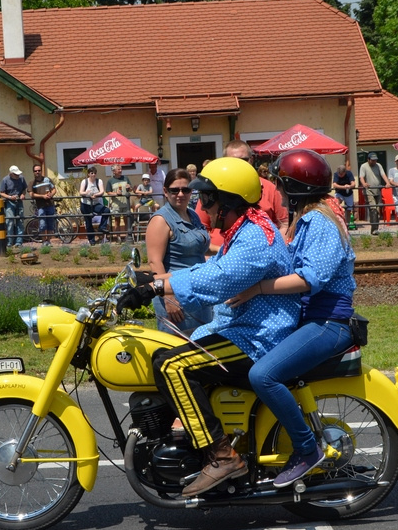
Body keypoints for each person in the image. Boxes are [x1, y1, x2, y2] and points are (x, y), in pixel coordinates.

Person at [116, 157, 298, 497]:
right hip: (245, 327)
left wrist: (157, 287)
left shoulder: (255, 238)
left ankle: (221, 455)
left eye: (207, 198)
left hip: (259, 336)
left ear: (228, 200)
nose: (201, 204)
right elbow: (213, 266)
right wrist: (154, 281)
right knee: (174, 352)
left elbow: (218, 278)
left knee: (171, 366)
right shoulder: (245, 229)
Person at [226, 149, 355, 487]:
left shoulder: (322, 222)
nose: (278, 193)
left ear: (294, 189)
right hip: (311, 319)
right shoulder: (306, 220)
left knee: (263, 375)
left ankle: (306, 447)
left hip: (327, 323)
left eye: (281, 186)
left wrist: (257, 288)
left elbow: (309, 278)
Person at [145, 168, 213, 336]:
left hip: (198, 292)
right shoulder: (161, 220)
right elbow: (155, 262)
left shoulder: (192, 215)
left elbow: (200, 246)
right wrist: (168, 298)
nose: (181, 194)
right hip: (176, 295)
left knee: (202, 346)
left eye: (186, 189)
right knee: (178, 349)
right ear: (166, 192)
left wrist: (228, 249)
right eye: (175, 190)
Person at [79, 166, 110, 245]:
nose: (93, 175)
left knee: (106, 210)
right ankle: (91, 240)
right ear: (88, 174)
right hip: (86, 204)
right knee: (88, 222)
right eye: (92, 173)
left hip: (95, 203)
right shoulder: (84, 182)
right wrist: (87, 193)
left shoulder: (99, 181)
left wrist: (96, 195)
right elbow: (81, 192)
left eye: (95, 173)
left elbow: (102, 191)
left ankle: (102, 227)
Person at [358, 152, 388, 235]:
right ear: (368, 160)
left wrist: (387, 182)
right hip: (369, 191)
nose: (374, 162)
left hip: (378, 190)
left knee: (378, 210)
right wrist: (364, 184)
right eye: (372, 160)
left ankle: (375, 228)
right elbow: (361, 177)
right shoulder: (364, 166)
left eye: (375, 160)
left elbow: (383, 175)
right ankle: (374, 229)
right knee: (373, 209)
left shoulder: (379, 166)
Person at [0, 165, 27, 248]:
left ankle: (19, 242)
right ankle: (10, 242)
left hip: (19, 201)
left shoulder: (21, 178)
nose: (18, 176)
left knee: (20, 221)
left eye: (18, 174)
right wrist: (10, 197)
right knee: (10, 222)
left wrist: (22, 194)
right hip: (9, 202)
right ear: (11, 174)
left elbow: (24, 189)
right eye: (16, 174)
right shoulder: (5, 180)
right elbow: (1, 192)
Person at [30, 166, 56, 245]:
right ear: (33, 172)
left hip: (50, 204)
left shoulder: (47, 180)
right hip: (40, 205)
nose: (37, 172)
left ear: (41, 171)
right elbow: (31, 194)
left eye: (39, 170)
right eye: (35, 171)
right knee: (42, 224)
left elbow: (54, 189)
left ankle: (49, 240)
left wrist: (51, 194)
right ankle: (44, 241)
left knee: (50, 223)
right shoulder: (32, 183)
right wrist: (42, 196)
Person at [106, 164, 132, 242]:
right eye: (119, 169)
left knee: (126, 219)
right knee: (116, 220)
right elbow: (108, 192)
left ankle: (127, 236)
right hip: (116, 204)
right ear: (114, 171)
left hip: (125, 202)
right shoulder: (110, 181)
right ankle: (118, 237)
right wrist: (115, 193)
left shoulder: (126, 178)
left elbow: (130, 189)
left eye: (121, 169)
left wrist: (129, 188)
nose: (120, 171)